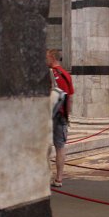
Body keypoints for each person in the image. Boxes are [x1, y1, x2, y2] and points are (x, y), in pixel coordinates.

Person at [46, 50, 73, 187]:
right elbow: (69, 98)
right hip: (61, 115)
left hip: (48, 115)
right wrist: (67, 115)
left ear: (52, 57)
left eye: (46, 57)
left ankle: (45, 176)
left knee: (44, 145)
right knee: (60, 147)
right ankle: (59, 178)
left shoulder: (48, 74)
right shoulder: (66, 75)